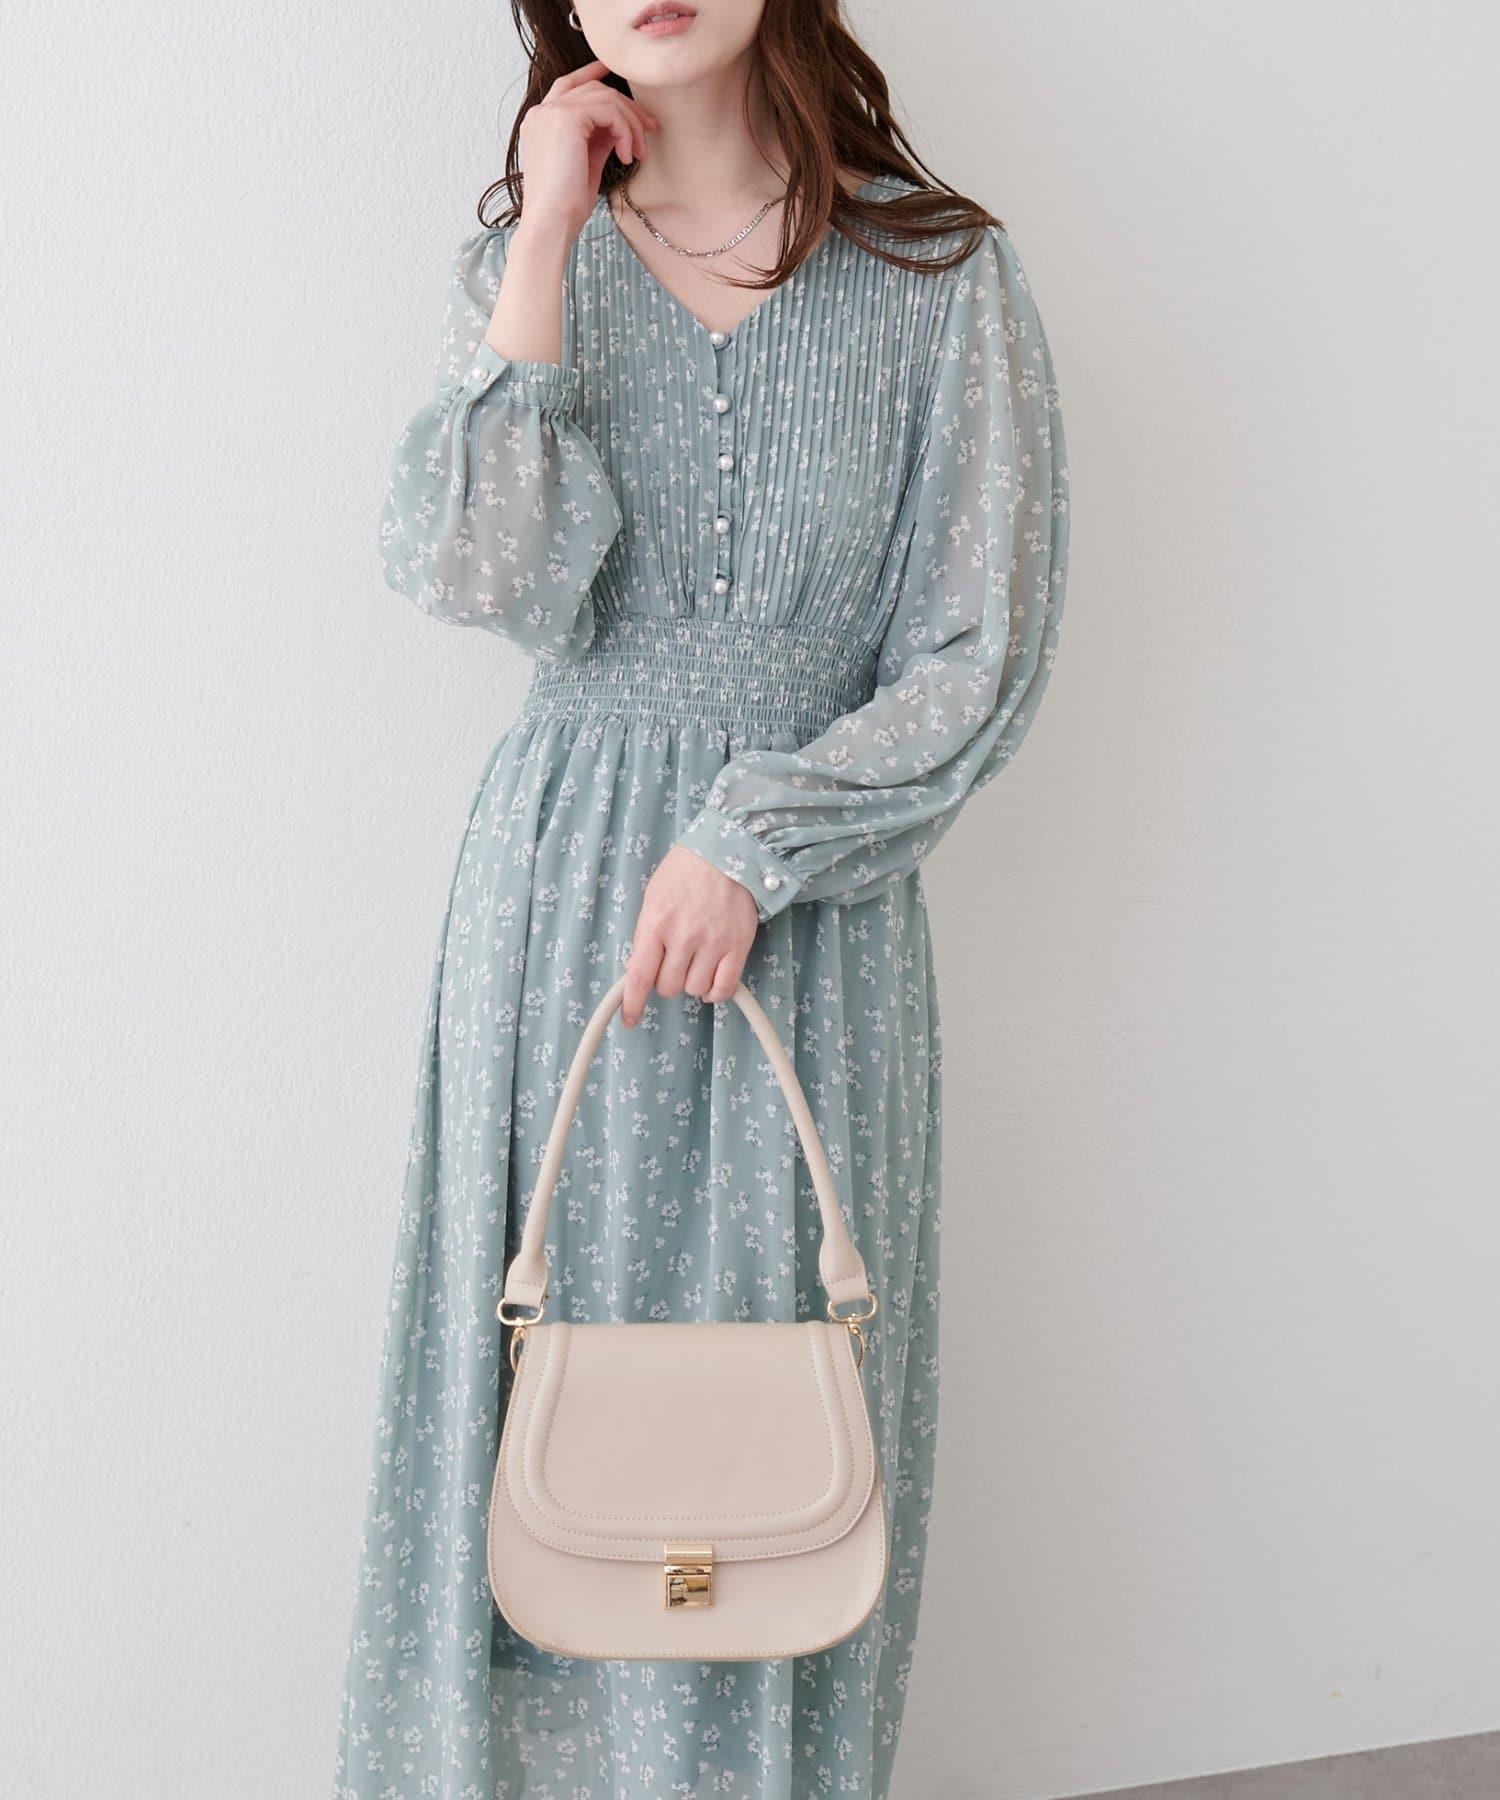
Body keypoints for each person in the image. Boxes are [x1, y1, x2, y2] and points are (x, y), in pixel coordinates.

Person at [333, 0, 1070, 1793]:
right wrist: (548, 231)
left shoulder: (940, 275)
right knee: (533, 1382)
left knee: (781, 1404)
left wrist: (753, 839)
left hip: (810, 915)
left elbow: (979, 652)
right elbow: (479, 575)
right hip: (555, 905)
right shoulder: (532, 262)